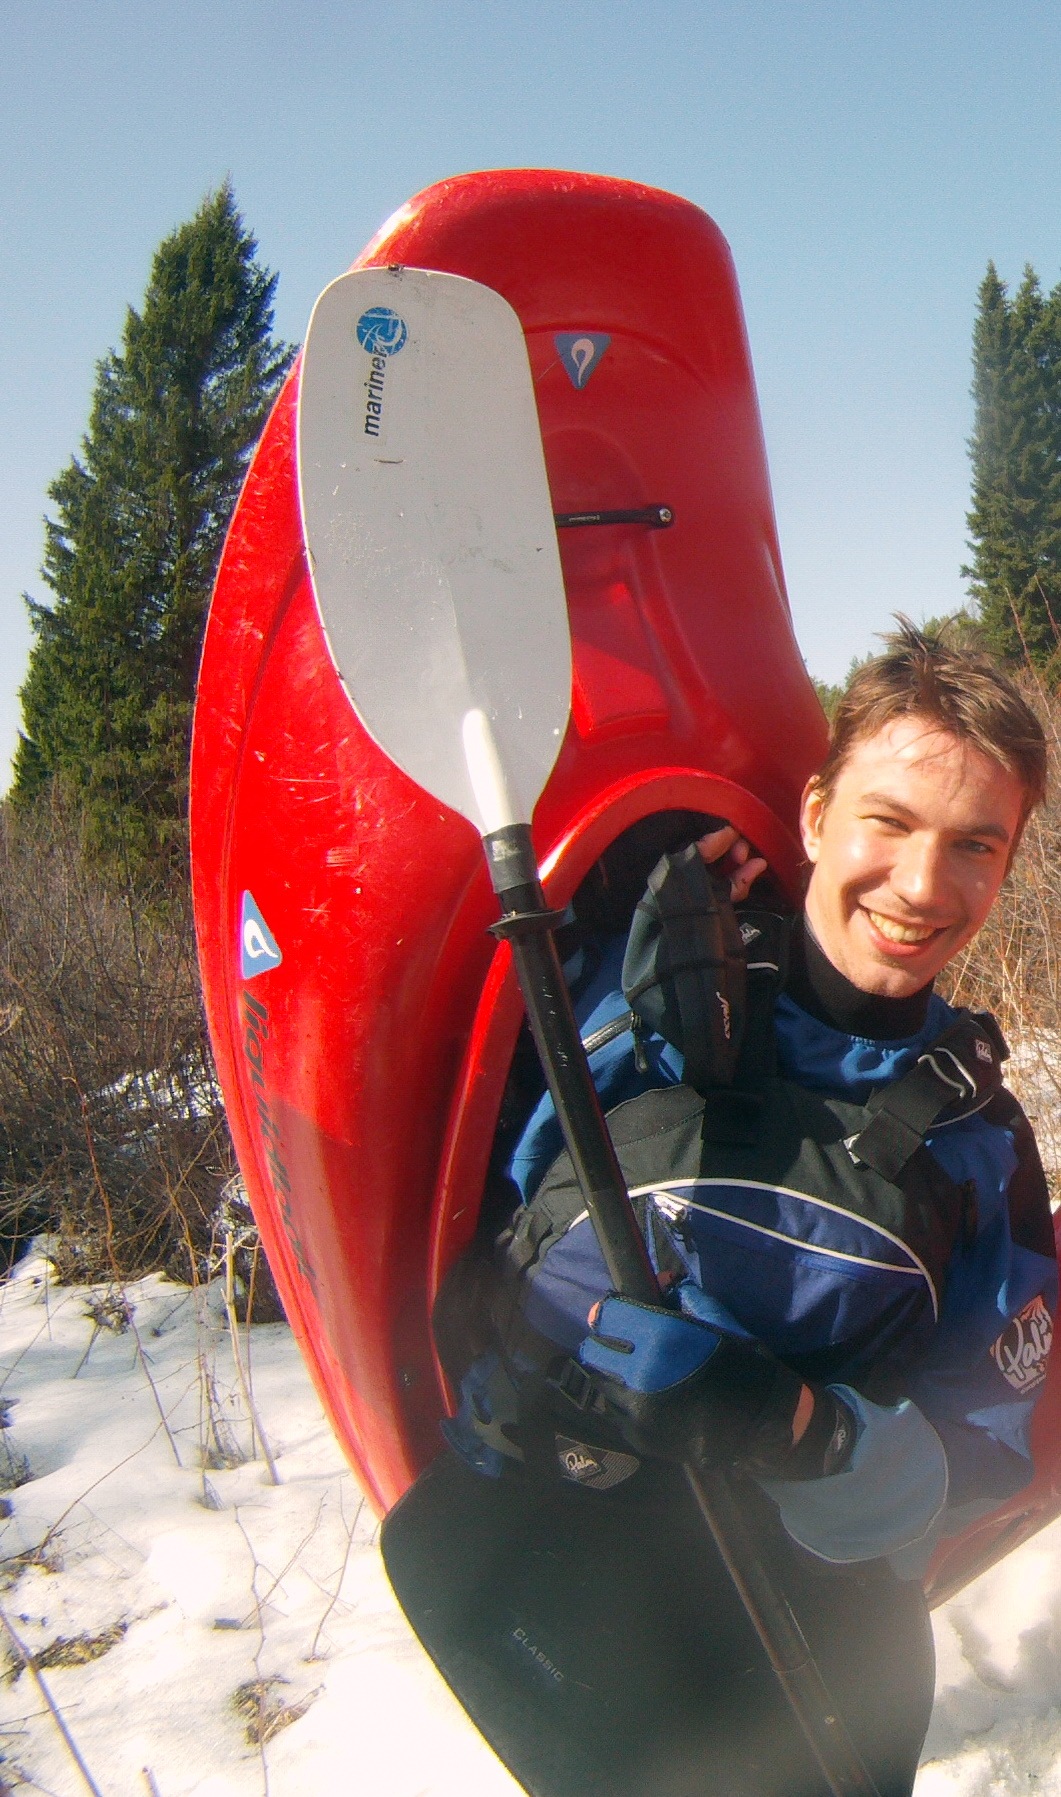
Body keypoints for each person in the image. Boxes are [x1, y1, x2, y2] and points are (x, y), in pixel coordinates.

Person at [440, 621, 1057, 1797]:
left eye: (973, 845)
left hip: (796, 1673)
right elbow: (463, 1209)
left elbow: (979, 1455)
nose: (921, 886)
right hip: (547, 1601)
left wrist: (799, 1432)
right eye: (887, 821)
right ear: (814, 815)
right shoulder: (627, 990)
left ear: (1005, 866)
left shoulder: (979, 1145)